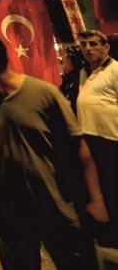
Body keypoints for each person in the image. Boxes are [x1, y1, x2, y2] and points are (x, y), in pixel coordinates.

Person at [0, 33, 107, 268]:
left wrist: (94, 200)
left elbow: (79, 148)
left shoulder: (43, 93)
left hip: (54, 205)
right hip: (6, 211)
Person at [75, 30, 118, 247]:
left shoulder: (115, 70)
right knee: (96, 188)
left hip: (111, 138)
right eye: (84, 45)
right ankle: (102, 228)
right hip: (89, 137)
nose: (88, 48)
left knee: (113, 187)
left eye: (93, 44)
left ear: (106, 47)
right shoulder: (84, 73)